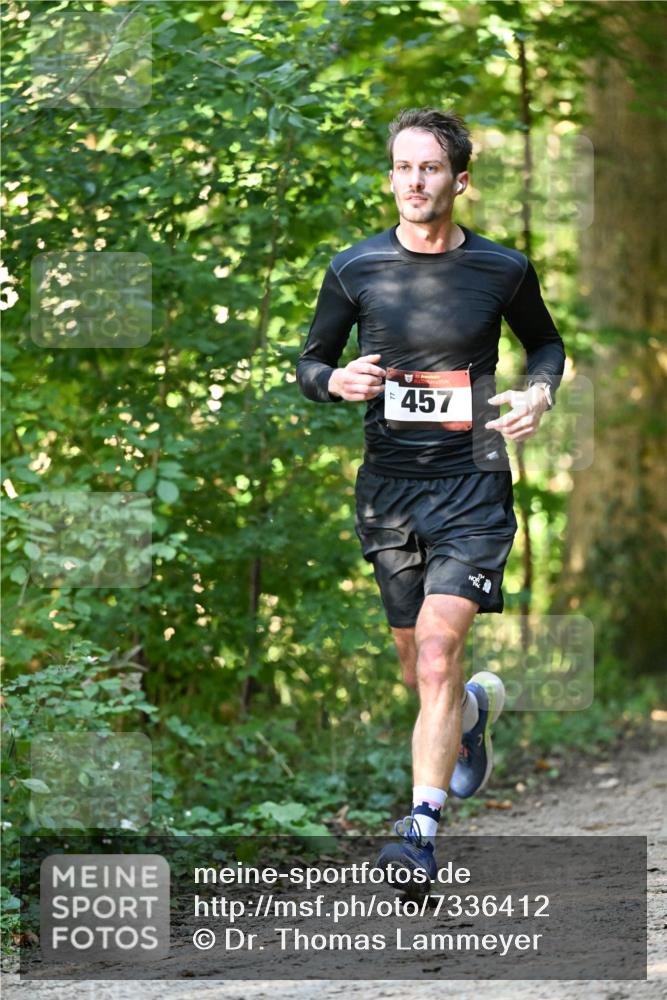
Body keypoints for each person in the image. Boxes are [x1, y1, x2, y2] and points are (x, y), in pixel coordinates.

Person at [296, 107, 565, 894]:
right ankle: (471, 718)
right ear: (391, 176)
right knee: (421, 669)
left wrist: (538, 394)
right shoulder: (355, 268)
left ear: (458, 180)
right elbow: (310, 362)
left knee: (442, 650)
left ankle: (418, 829)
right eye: (402, 168)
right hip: (387, 493)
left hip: (474, 479)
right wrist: (334, 381)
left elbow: (543, 342)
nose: (414, 182)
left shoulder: (501, 269)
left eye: (429, 169)